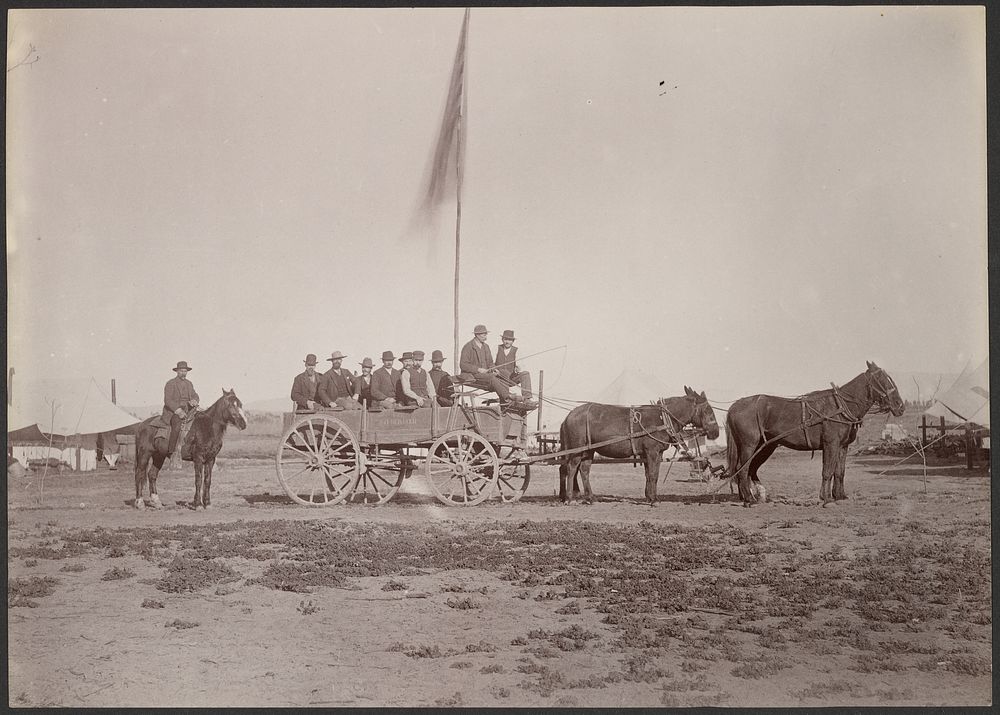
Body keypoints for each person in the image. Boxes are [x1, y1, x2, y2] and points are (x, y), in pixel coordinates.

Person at [458, 325, 511, 404]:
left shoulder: (486, 346)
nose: (486, 337)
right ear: (477, 335)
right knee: (492, 377)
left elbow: (490, 363)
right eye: (484, 335)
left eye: (486, 334)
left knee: (505, 373)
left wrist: (494, 369)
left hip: (486, 374)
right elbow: (463, 365)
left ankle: (504, 401)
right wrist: (478, 369)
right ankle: (507, 398)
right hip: (474, 375)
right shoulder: (468, 347)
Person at [162, 360, 199, 456]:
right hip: (174, 412)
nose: (183, 373)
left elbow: (195, 395)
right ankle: (172, 451)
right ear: (177, 371)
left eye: (185, 371)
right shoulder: (170, 383)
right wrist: (178, 411)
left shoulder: (189, 384)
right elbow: (168, 400)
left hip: (189, 410)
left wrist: (195, 400)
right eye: (181, 371)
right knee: (177, 425)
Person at [495, 329, 534, 402]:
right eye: (505, 339)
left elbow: (520, 365)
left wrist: (518, 369)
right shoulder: (496, 348)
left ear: (513, 341)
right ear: (502, 339)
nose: (507, 342)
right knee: (503, 372)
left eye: (509, 340)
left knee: (525, 374)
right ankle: (506, 398)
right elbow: (491, 362)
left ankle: (527, 398)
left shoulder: (516, 350)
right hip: (499, 378)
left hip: (510, 378)